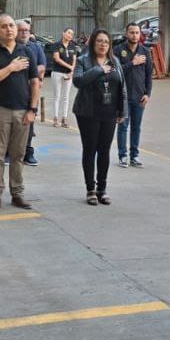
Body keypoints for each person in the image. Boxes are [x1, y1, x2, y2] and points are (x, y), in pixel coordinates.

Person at [0, 14, 39, 211]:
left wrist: (33, 109)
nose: (9, 29)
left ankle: (17, 194)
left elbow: (35, 82)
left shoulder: (27, 51)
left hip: (22, 111)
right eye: (4, 26)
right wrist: (11, 67)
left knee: (18, 155)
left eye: (11, 25)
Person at [72, 29, 128, 205]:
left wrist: (122, 111)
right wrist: (98, 70)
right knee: (90, 149)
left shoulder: (115, 61)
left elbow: (122, 86)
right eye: (99, 41)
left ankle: (102, 189)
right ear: (93, 43)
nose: (103, 44)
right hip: (88, 112)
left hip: (109, 112)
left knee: (104, 150)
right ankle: (90, 189)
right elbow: (77, 81)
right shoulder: (83, 60)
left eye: (106, 41)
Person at [116, 21, 153, 167]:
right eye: (132, 32)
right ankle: (122, 156)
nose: (135, 35)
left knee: (136, 127)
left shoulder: (145, 51)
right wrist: (132, 63)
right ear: (127, 34)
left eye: (137, 32)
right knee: (123, 126)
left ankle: (134, 156)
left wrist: (147, 94)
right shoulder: (118, 50)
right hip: (123, 96)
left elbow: (149, 75)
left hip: (139, 97)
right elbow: (115, 71)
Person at [17, 19, 46, 166]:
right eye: (21, 30)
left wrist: (28, 70)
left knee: (29, 122)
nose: (24, 33)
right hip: (14, 90)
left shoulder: (36, 47)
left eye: (26, 30)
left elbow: (42, 66)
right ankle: (10, 152)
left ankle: (28, 152)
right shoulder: (11, 47)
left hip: (30, 91)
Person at [51, 28, 79, 128]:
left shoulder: (73, 46)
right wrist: (69, 67)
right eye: (68, 33)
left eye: (72, 34)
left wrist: (72, 71)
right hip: (57, 72)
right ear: (63, 33)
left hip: (68, 74)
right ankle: (55, 118)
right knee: (57, 96)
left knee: (66, 96)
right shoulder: (57, 45)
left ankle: (64, 118)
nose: (70, 35)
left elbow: (74, 60)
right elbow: (57, 59)